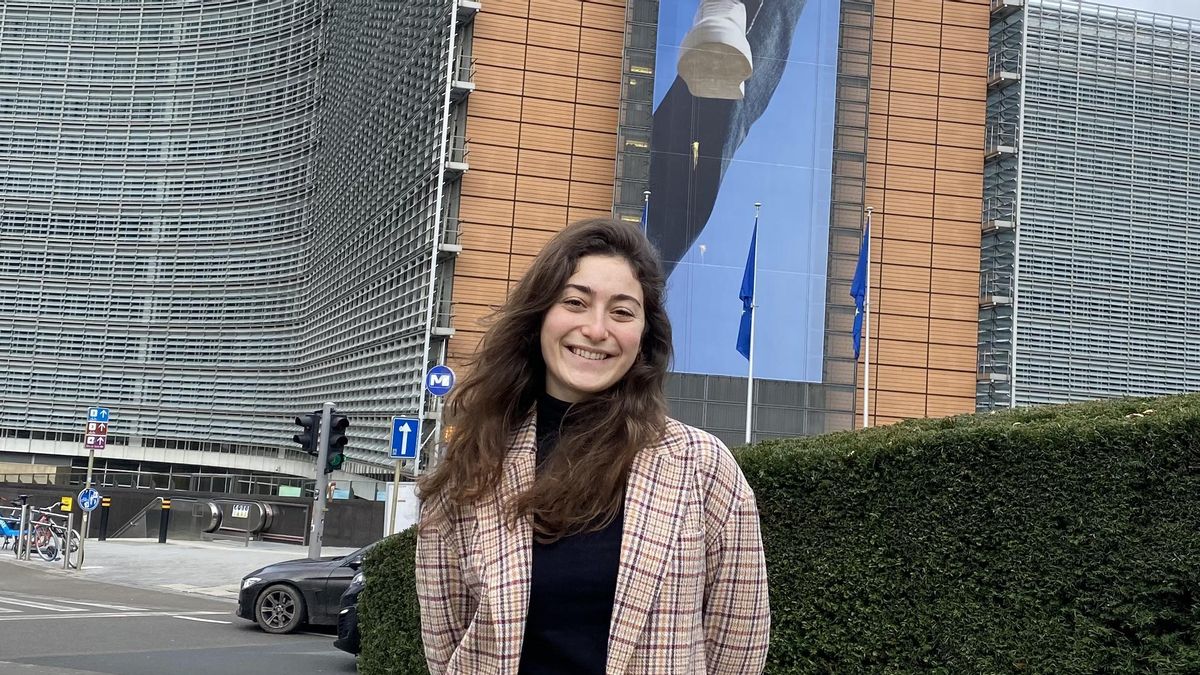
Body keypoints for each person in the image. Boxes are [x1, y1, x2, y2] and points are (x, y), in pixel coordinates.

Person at [415, 218, 770, 674]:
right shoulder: (473, 468)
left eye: (622, 312)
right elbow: (446, 649)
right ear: (540, 315)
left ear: (644, 336)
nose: (596, 328)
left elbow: (738, 645)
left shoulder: (701, 468)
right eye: (575, 302)